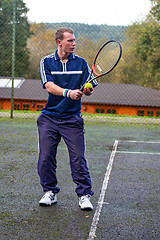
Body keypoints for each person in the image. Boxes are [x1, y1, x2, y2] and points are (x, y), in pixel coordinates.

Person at [37, 27, 98, 210]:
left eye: (74, 40)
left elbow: (90, 86)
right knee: (46, 157)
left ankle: (84, 195)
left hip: (72, 119)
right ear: (59, 42)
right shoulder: (46, 61)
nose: (74, 44)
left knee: (78, 158)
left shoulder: (80, 63)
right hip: (49, 118)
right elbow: (48, 86)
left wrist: (87, 90)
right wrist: (68, 92)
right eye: (70, 41)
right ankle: (50, 192)